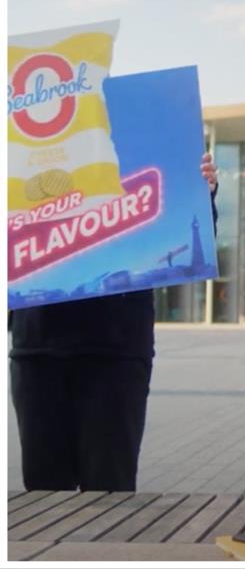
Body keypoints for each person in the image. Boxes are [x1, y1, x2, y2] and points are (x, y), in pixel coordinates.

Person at [9, 153, 219, 492]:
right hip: (39, 351)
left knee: (109, 498)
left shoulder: (144, 141)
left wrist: (199, 192)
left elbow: (181, 231)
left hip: (114, 354)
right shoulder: (27, 144)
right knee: (43, 501)